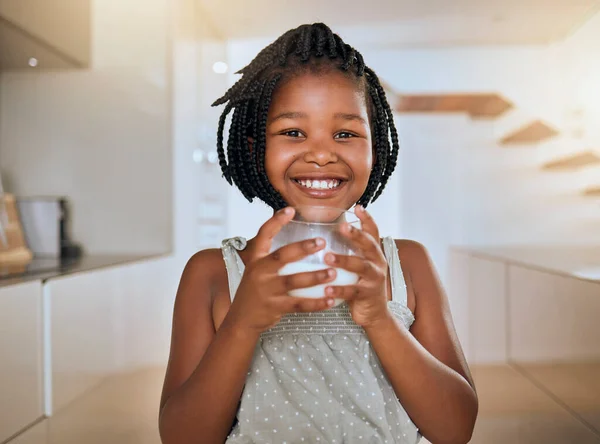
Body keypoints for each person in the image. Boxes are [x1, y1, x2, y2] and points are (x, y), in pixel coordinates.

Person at [158, 23, 478, 444]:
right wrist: (242, 323)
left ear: (375, 147)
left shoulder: (407, 265)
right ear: (255, 148)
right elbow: (183, 437)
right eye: (293, 133)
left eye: (345, 134)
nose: (323, 153)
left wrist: (380, 319)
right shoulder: (213, 274)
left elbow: (455, 429)